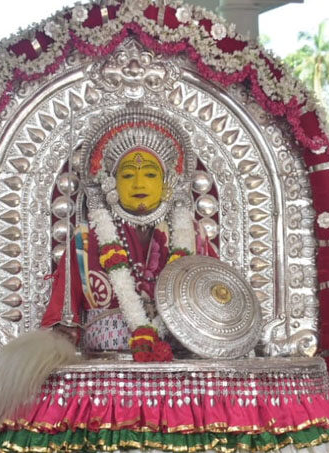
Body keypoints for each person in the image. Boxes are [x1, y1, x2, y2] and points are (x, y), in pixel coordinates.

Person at [40, 110, 217, 354]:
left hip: (178, 364)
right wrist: (62, 333)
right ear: (111, 183)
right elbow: (62, 312)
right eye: (128, 175)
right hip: (104, 370)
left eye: (150, 174)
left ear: (167, 183)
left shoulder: (193, 237)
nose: (138, 184)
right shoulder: (87, 239)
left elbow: (214, 300)